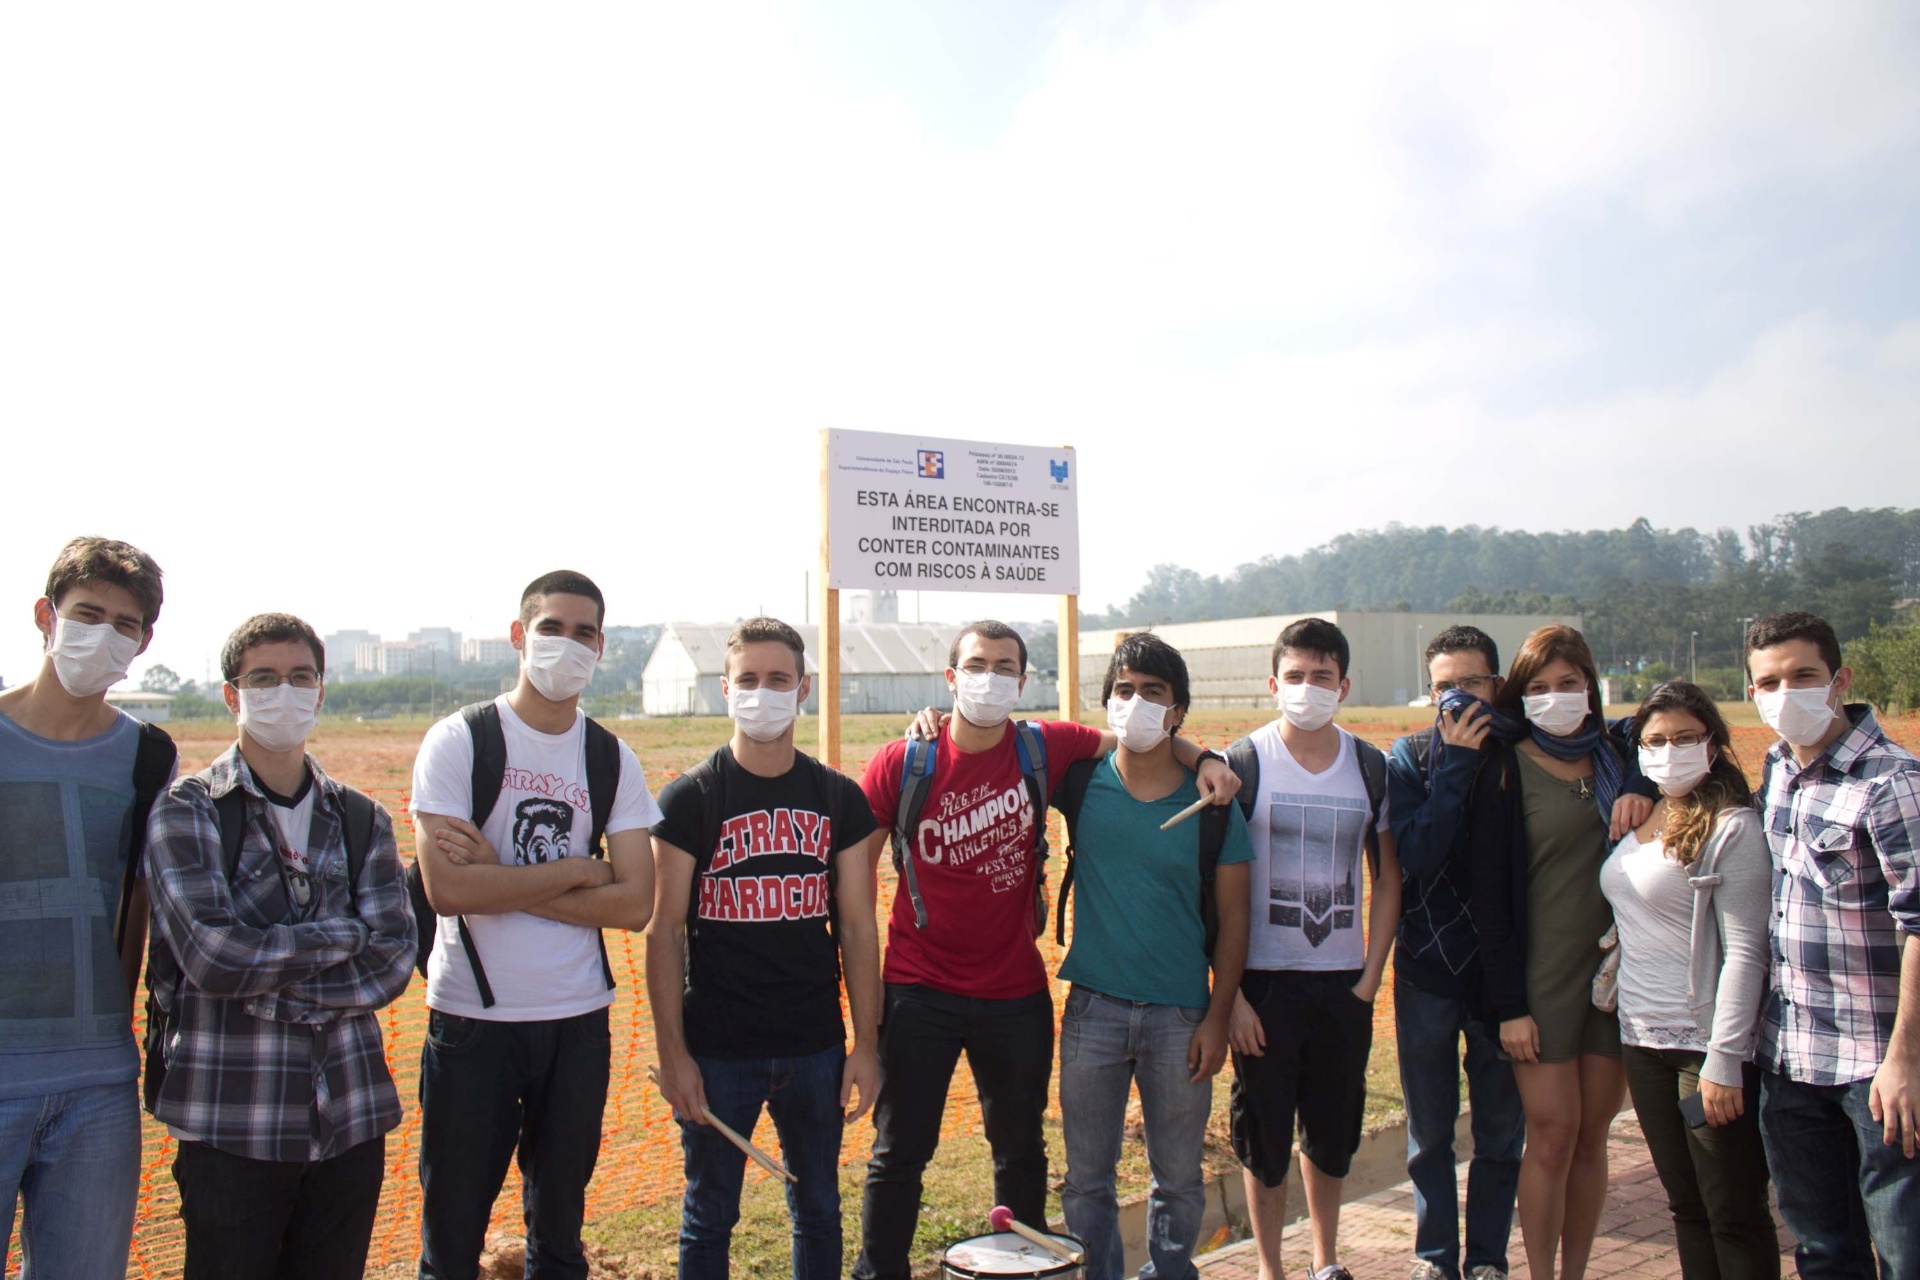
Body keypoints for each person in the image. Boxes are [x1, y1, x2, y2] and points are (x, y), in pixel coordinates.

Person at [851, 619, 1238, 1280]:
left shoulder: (1044, 747)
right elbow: (854, 887)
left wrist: (1203, 758)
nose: (990, 679)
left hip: (1014, 994)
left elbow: (1138, 738)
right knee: (899, 1153)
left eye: (1005, 668)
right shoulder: (903, 762)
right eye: (976, 666)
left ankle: (1026, 1271)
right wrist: (863, 1028)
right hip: (919, 991)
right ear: (950, 678)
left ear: (1024, 681)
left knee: (1022, 1153)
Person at [144, 613, 416, 1280]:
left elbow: (392, 960)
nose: (284, 693)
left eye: (300, 677)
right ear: (231, 694)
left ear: (320, 691)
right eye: (263, 679)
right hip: (233, 1123)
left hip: (349, 1119)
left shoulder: (361, 818)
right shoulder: (189, 810)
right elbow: (214, 957)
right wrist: (341, 934)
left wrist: (265, 987)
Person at [410, 570, 661, 1280]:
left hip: (578, 1022)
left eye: (584, 633)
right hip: (472, 1021)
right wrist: (581, 869)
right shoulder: (460, 741)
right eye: (552, 628)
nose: (567, 645)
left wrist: (502, 878)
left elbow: (635, 905)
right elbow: (449, 889)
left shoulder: (611, 757)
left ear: (601, 647)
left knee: (560, 1239)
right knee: (452, 1238)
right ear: (519, 635)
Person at [646, 617, 881, 1279]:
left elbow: (859, 928)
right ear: (725, 689)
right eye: (747, 679)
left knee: (820, 1208)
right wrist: (673, 1055)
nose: (762, 693)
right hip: (717, 1050)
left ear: (803, 688)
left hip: (814, 1046)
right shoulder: (689, 798)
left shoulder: (838, 797)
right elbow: (664, 930)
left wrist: (866, 1045)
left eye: (778, 679)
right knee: (708, 1215)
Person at [0, 537, 176, 1280]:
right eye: (87, 615)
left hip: (98, 1084)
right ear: (46, 615)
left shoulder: (149, 758)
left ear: (143, 644)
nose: (104, 635)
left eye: (124, 624)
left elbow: (136, 903)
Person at [1054, 633, 1254, 1280]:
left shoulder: (1213, 805)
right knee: (1087, 1180)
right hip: (1093, 1011)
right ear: (1107, 700)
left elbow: (1235, 917)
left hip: (1181, 1017)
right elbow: (999, 744)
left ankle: (1171, 1271)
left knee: (1179, 1179)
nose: (1135, 702)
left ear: (1177, 709)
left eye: (1153, 692)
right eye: (1124, 690)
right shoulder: (1080, 782)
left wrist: (1218, 1017)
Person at [1745, 610, 1919, 1279]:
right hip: (1791, 1058)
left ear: (1839, 680)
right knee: (1823, 1252)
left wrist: (1906, 1060)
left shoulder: (1893, 781)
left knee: (1904, 1251)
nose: (1785, 693)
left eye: (1803, 675)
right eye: (1769, 682)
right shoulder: (1778, 770)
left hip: (1877, 1066)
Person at [1226, 617, 1401, 1280]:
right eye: (1295, 676)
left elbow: (1389, 879)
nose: (1307, 688)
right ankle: (1270, 1267)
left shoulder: (1369, 767)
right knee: (1263, 1135)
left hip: (1341, 982)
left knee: (1331, 1133)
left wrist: (1368, 980)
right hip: (1264, 983)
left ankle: (1326, 1260)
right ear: (1273, 684)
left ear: (1344, 686)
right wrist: (1232, 996)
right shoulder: (1245, 763)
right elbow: (1217, 889)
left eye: (1321, 677)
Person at [1468, 624, 1628, 1280]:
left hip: (1613, 980)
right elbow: (1490, 901)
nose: (1556, 696)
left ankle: (1575, 1272)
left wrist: (1644, 786)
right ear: (1521, 695)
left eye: (1569, 683)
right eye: (1539, 687)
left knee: (1592, 1137)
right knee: (1553, 1135)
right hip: (1539, 984)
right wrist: (1510, 1005)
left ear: (1591, 687)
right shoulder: (1504, 769)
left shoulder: (1622, 759)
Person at [1601, 680, 1776, 1280]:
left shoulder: (1732, 827)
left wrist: (1724, 1060)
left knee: (1733, 1213)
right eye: (1655, 741)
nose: (1668, 751)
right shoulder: (1644, 813)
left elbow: (1747, 951)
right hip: (1641, 1040)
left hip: (1702, 1049)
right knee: (1686, 1208)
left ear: (1712, 744)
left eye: (1685, 738)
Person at [1388, 625, 1527, 1280]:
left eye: (1472, 682)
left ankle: (1488, 1259)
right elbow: (1417, 854)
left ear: (1496, 686)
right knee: (1430, 1132)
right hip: (1428, 969)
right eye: (1446, 686)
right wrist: (1456, 765)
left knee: (1500, 1131)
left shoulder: (1522, 753)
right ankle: (1436, 1258)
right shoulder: (1412, 757)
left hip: (1502, 977)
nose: (1459, 697)